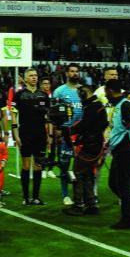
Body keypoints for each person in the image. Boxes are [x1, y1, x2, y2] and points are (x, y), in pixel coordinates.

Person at [104, 79, 130, 227]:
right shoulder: (118, 105)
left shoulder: (125, 104)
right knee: (114, 183)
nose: (105, 94)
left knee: (123, 185)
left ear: (110, 90)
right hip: (120, 149)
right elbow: (119, 126)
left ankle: (128, 218)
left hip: (126, 149)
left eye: (106, 91)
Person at [64, 84, 107, 216]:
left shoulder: (92, 107)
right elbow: (103, 124)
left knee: (78, 173)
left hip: (90, 145)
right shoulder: (98, 105)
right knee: (88, 174)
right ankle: (91, 204)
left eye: (80, 94)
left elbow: (85, 125)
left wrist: (71, 131)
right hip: (97, 144)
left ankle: (78, 205)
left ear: (85, 93)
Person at [11, 68, 49, 206]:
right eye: (31, 76)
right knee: (26, 165)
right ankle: (26, 198)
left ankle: (36, 197)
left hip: (40, 134)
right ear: (26, 79)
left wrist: (49, 135)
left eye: (35, 75)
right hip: (25, 133)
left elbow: (48, 117)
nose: (34, 77)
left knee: (38, 166)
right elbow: (13, 116)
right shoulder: (19, 95)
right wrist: (15, 135)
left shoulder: (43, 95)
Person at [50, 65, 84, 206]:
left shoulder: (84, 90)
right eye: (72, 71)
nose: (75, 73)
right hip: (65, 134)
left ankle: (79, 195)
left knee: (81, 167)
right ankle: (65, 195)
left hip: (82, 134)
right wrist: (56, 131)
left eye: (76, 71)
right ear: (67, 73)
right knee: (64, 165)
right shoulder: (59, 91)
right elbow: (52, 113)